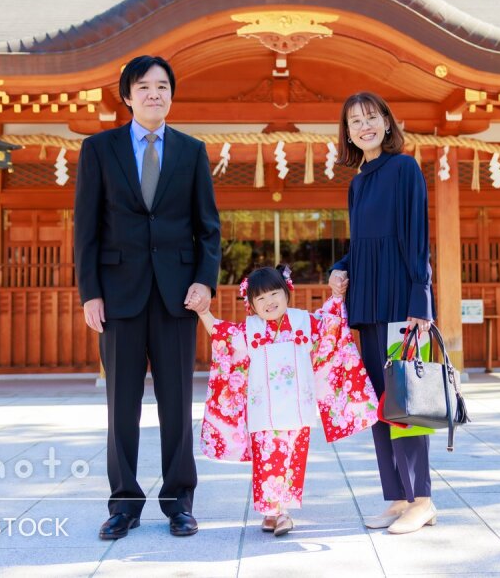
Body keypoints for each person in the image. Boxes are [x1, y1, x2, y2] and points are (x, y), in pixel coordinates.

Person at [74, 55, 221, 540]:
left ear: (171, 95)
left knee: (177, 404)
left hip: (178, 297)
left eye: (162, 86)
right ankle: (124, 504)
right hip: (118, 295)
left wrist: (205, 281)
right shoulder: (99, 149)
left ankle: (179, 501)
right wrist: (90, 292)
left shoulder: (192, 150)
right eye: (144, 86)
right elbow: (87, 229)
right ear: (127, 95)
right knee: (122, 405)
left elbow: (208, 227)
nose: (154, 93)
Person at [197, 265, 378, 536]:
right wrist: (203, 312)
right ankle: (276, 512)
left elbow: (331, 327)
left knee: (292, 461)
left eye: (274, 293)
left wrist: (337, 296)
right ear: (251, 305)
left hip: (298, 409)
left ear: (286, 292)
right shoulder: (249, 330)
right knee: (268, 460)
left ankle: (278, 511)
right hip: (263, 411)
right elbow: (223, 335)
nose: (269, 302)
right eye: (260, 298)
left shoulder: (305, 322)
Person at [328, 91, 437, 535]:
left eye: (371, 117)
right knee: (380, 405)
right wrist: (339, 269)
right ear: (348, 133)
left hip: (403, 304)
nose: (364, 126)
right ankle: (397, 497)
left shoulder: (404, 169)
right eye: (355, 121)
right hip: (368, 303)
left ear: (388, 123)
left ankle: (423, 499)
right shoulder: (357, 183)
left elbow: (416, 239)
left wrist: (420, 303)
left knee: (409, 402)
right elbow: (362, 248)